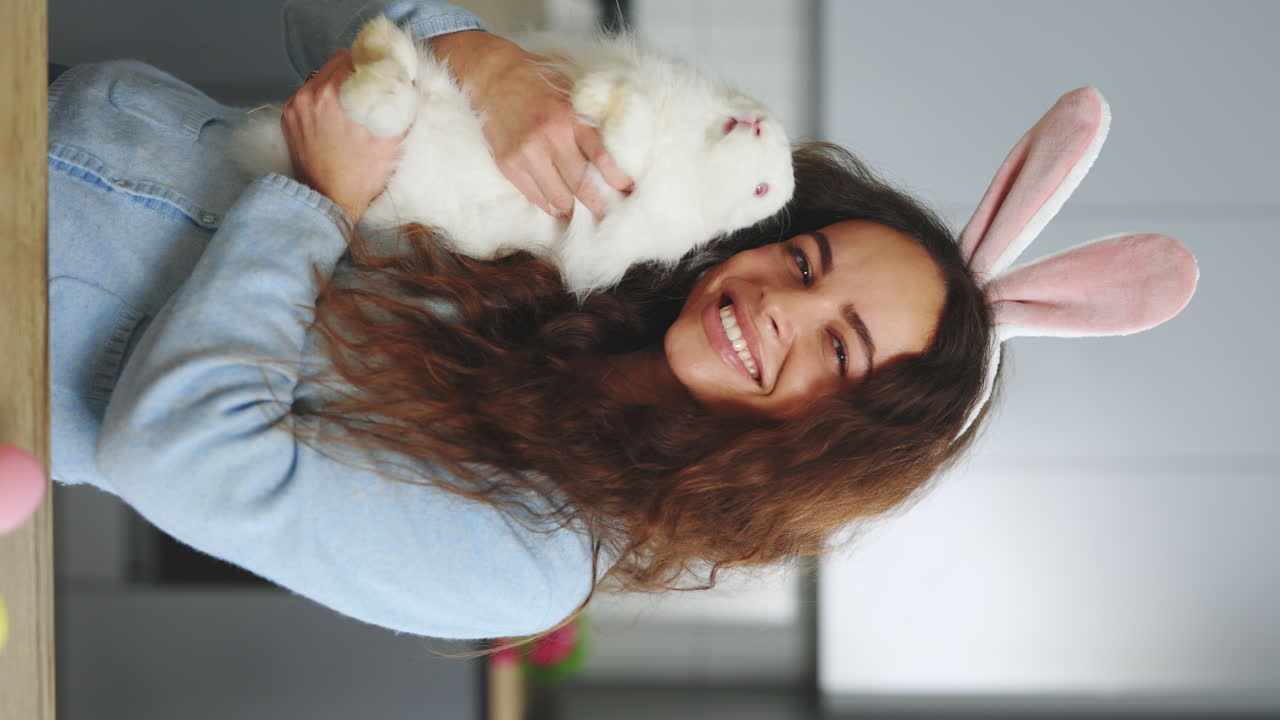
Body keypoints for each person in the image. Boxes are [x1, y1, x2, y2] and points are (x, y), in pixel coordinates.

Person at [48, 0, 995, 656]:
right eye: (804, 261)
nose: (780, 304)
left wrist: (318, 199)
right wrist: (484, 63)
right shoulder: (610, 227)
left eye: (839, 348)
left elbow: (174, 456)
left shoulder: (529, 554)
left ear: (823, 452)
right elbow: (317, 18)